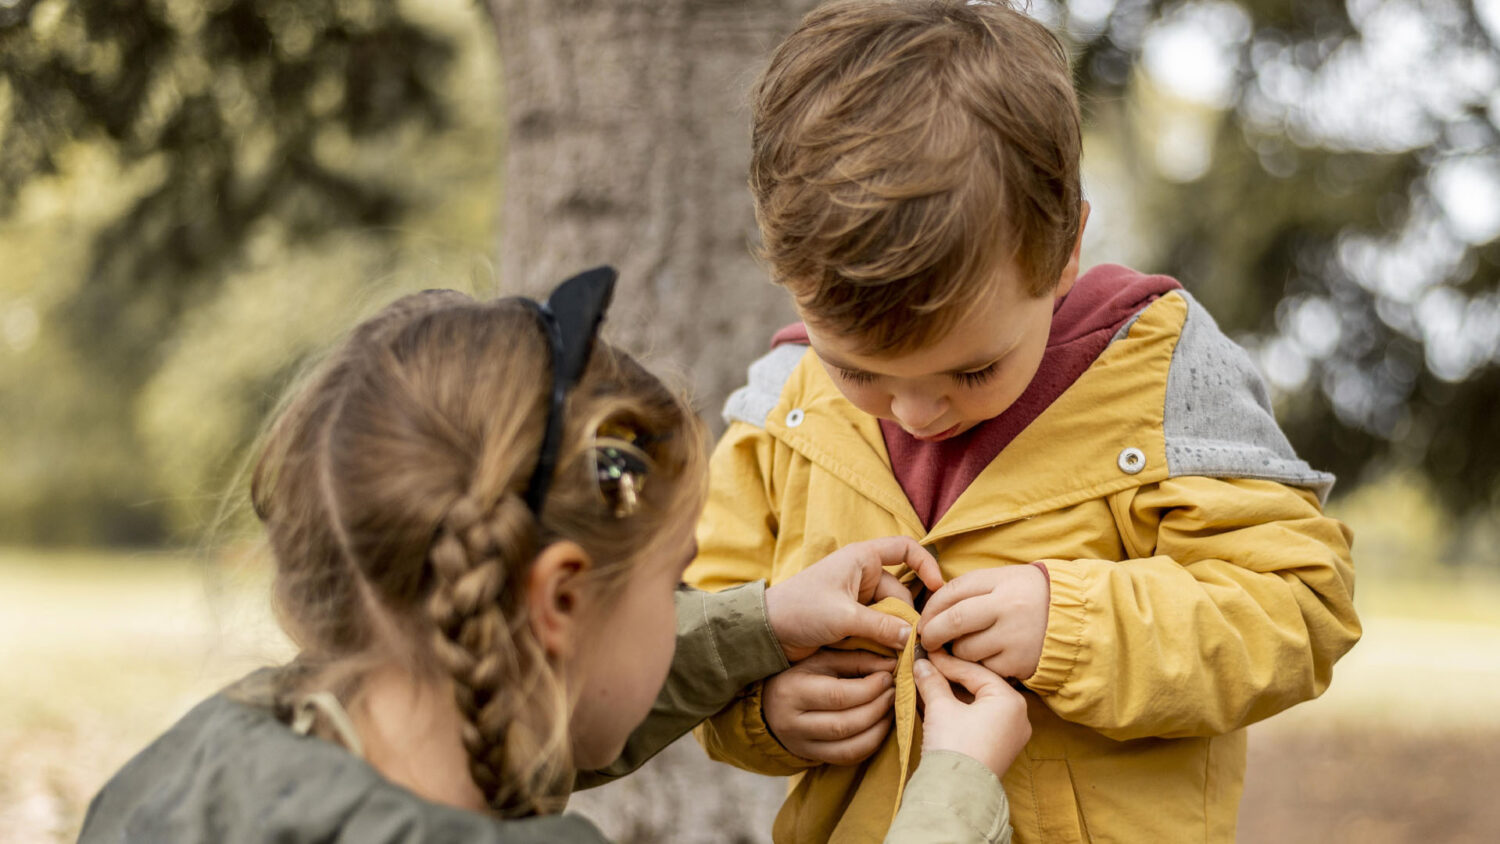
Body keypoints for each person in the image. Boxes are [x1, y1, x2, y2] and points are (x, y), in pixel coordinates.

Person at [686, 2, 1362, 842]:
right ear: (788, 277)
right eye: (858, 369)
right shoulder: (779, 410)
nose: (918, 411)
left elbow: (1297, 607)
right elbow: (702, 629)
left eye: (972, 370)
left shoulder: (1158, 373)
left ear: (1065, 247)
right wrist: (764, 713)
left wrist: (1071, 623)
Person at [78, 268, 1031, 844]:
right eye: (673, 585)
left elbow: (537, 684)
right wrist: (954, 791)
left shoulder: (206, 758)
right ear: (560, 600)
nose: (682, 607)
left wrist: (763, 620)